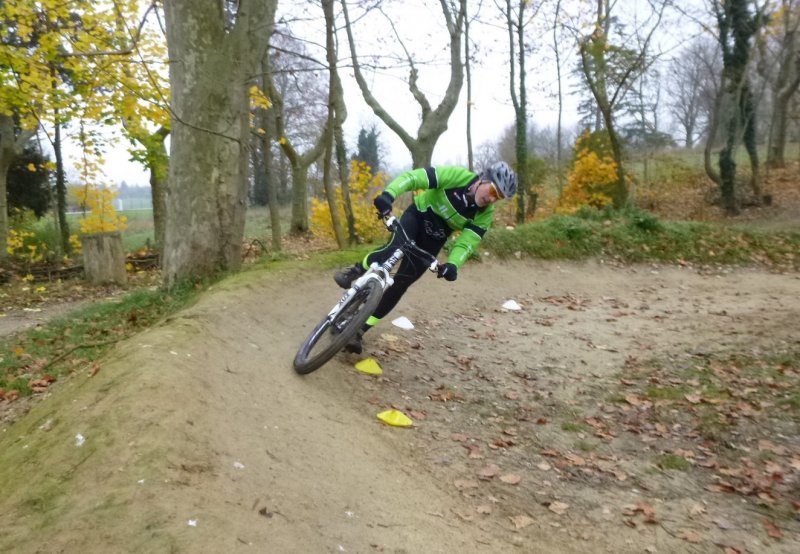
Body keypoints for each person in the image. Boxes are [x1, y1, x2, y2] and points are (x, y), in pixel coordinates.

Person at [334, 161, 518, 354]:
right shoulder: (457, 177)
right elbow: (414, 178)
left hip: (434, 238)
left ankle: (360, 330)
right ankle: (355, 270)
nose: (492, 198)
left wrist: (453, 264)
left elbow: (467, 242)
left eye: (498, 197)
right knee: (394, 248)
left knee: (402, 283)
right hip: (417, 216)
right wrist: (389, 194)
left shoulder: (485, 214)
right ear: (484, 179)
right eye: (493, 191)